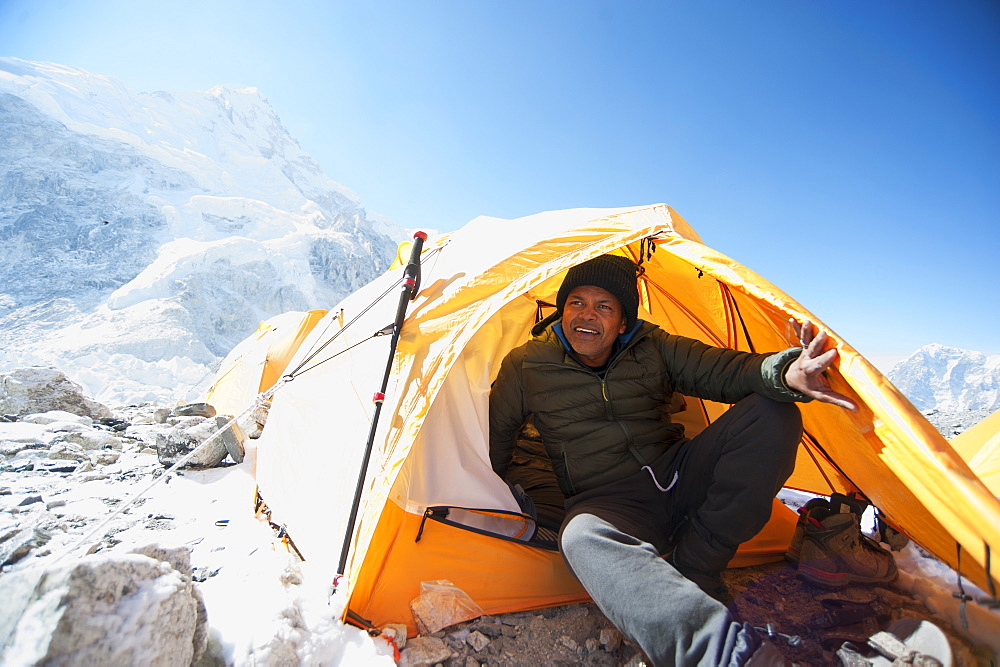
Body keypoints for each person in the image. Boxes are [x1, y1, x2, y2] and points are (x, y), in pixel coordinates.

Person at [489, 254, 857, 666]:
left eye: (604, 306)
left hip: (677, 473)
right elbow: (497, 436)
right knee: (579, 538)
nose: (586, 315)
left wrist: (785, 373)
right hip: (608, 501)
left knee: (775, 411)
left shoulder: (654, 346)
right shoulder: (526, 364)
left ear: (623, 322)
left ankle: (697, 567)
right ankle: (720, 653)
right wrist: (494, 495)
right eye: (576, 302)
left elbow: (726, 370)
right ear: (563, 308)